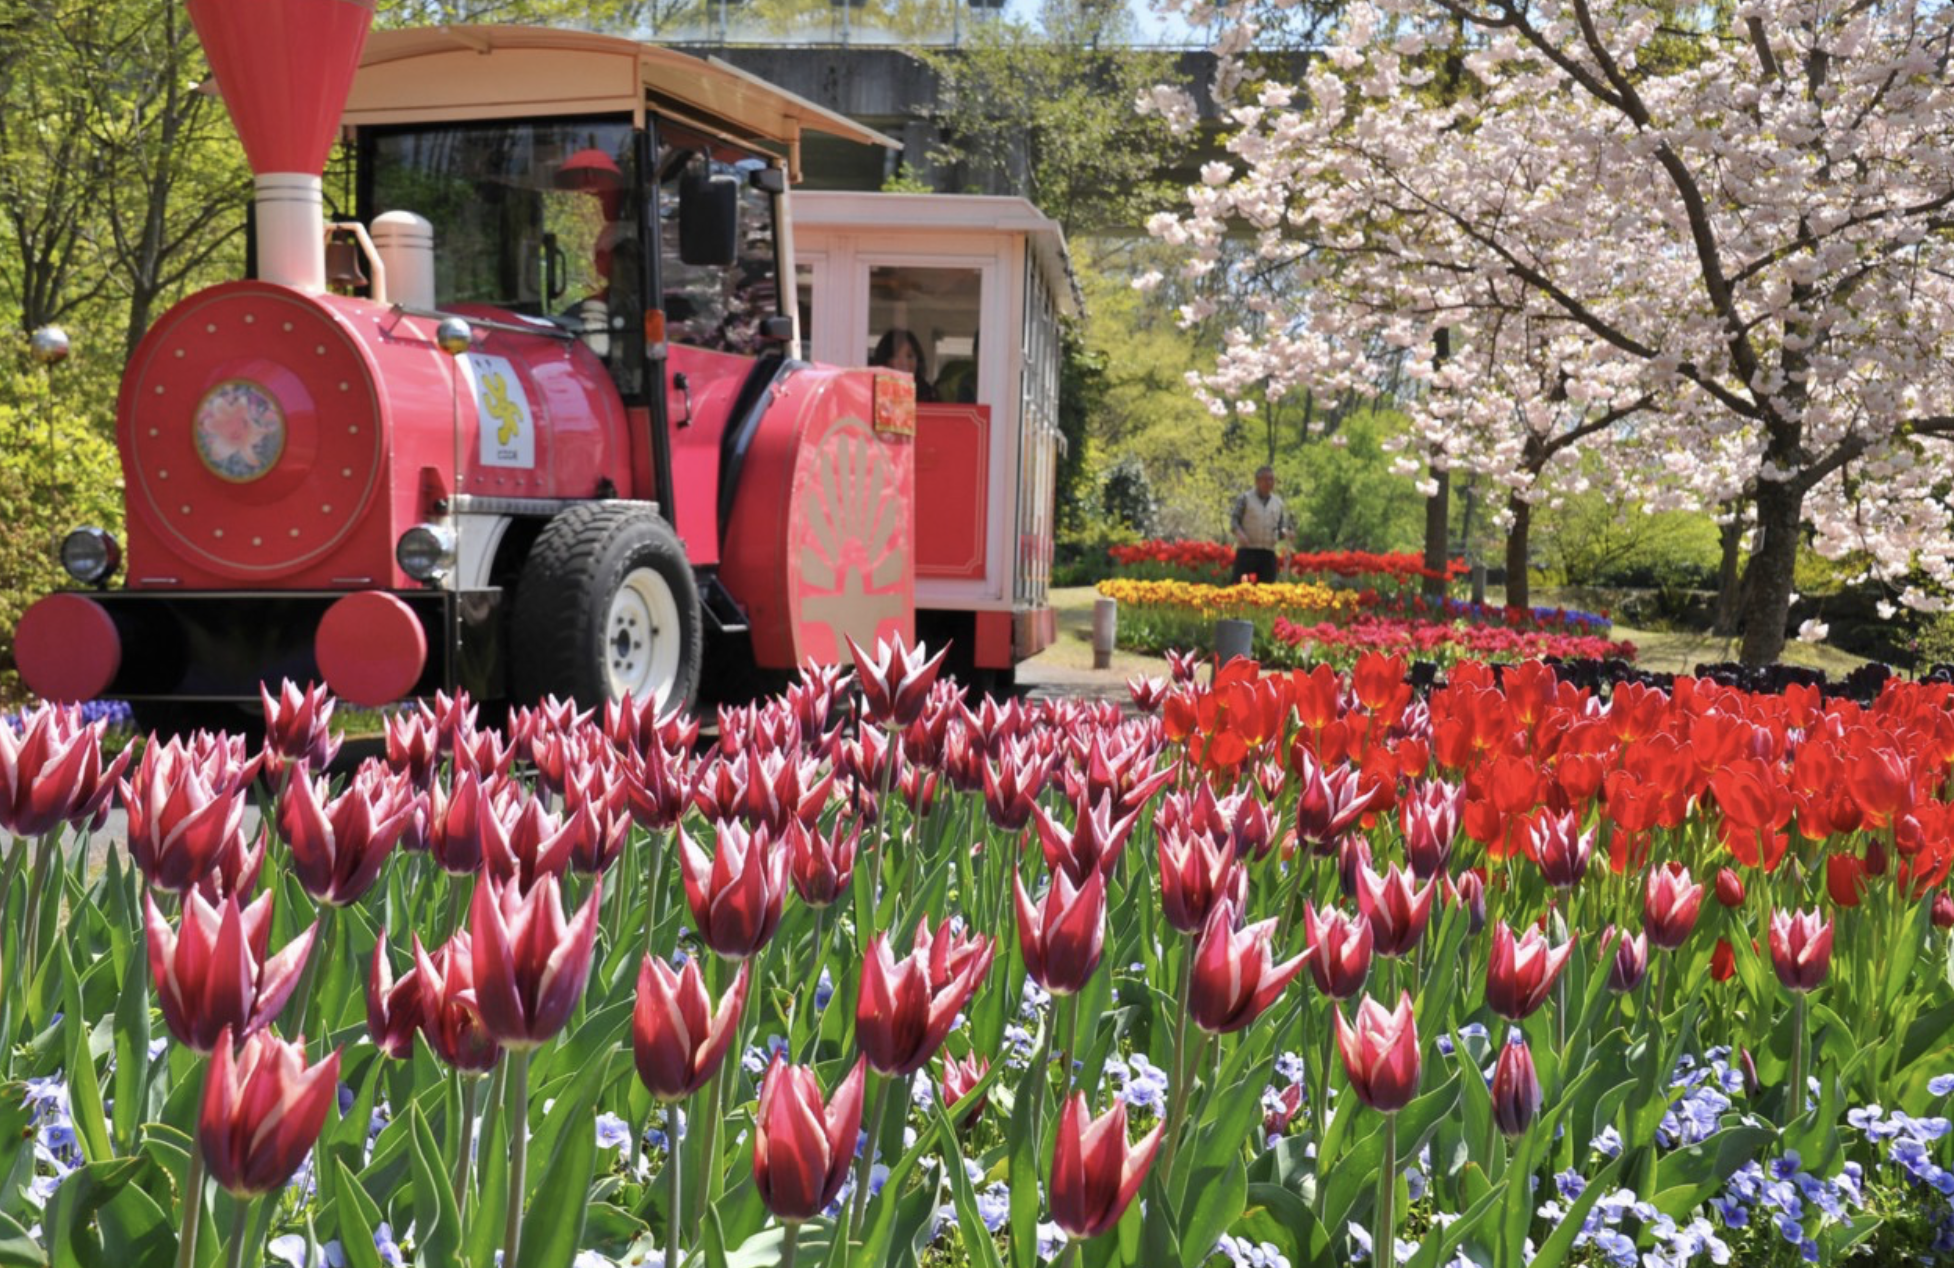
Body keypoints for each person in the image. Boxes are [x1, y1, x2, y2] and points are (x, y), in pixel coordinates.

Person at [1230, 465, 1295, 584]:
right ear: (1257, 481)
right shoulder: (1245, 498)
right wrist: (1240, 534)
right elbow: (1234, 521)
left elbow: (1279, 529)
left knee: (1267, 591)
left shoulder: (1278, 503)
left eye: (1272, 479)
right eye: (1266, 479)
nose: (1270, 482)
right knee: (1242, 589)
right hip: (1247, 551)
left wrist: (1286, 533)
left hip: (1268, 553)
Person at [870, 328, 938, 401]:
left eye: (909, 356)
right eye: (896, 356)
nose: (904, 363)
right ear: (885, 360)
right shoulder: (872, 393)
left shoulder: (928, 394)